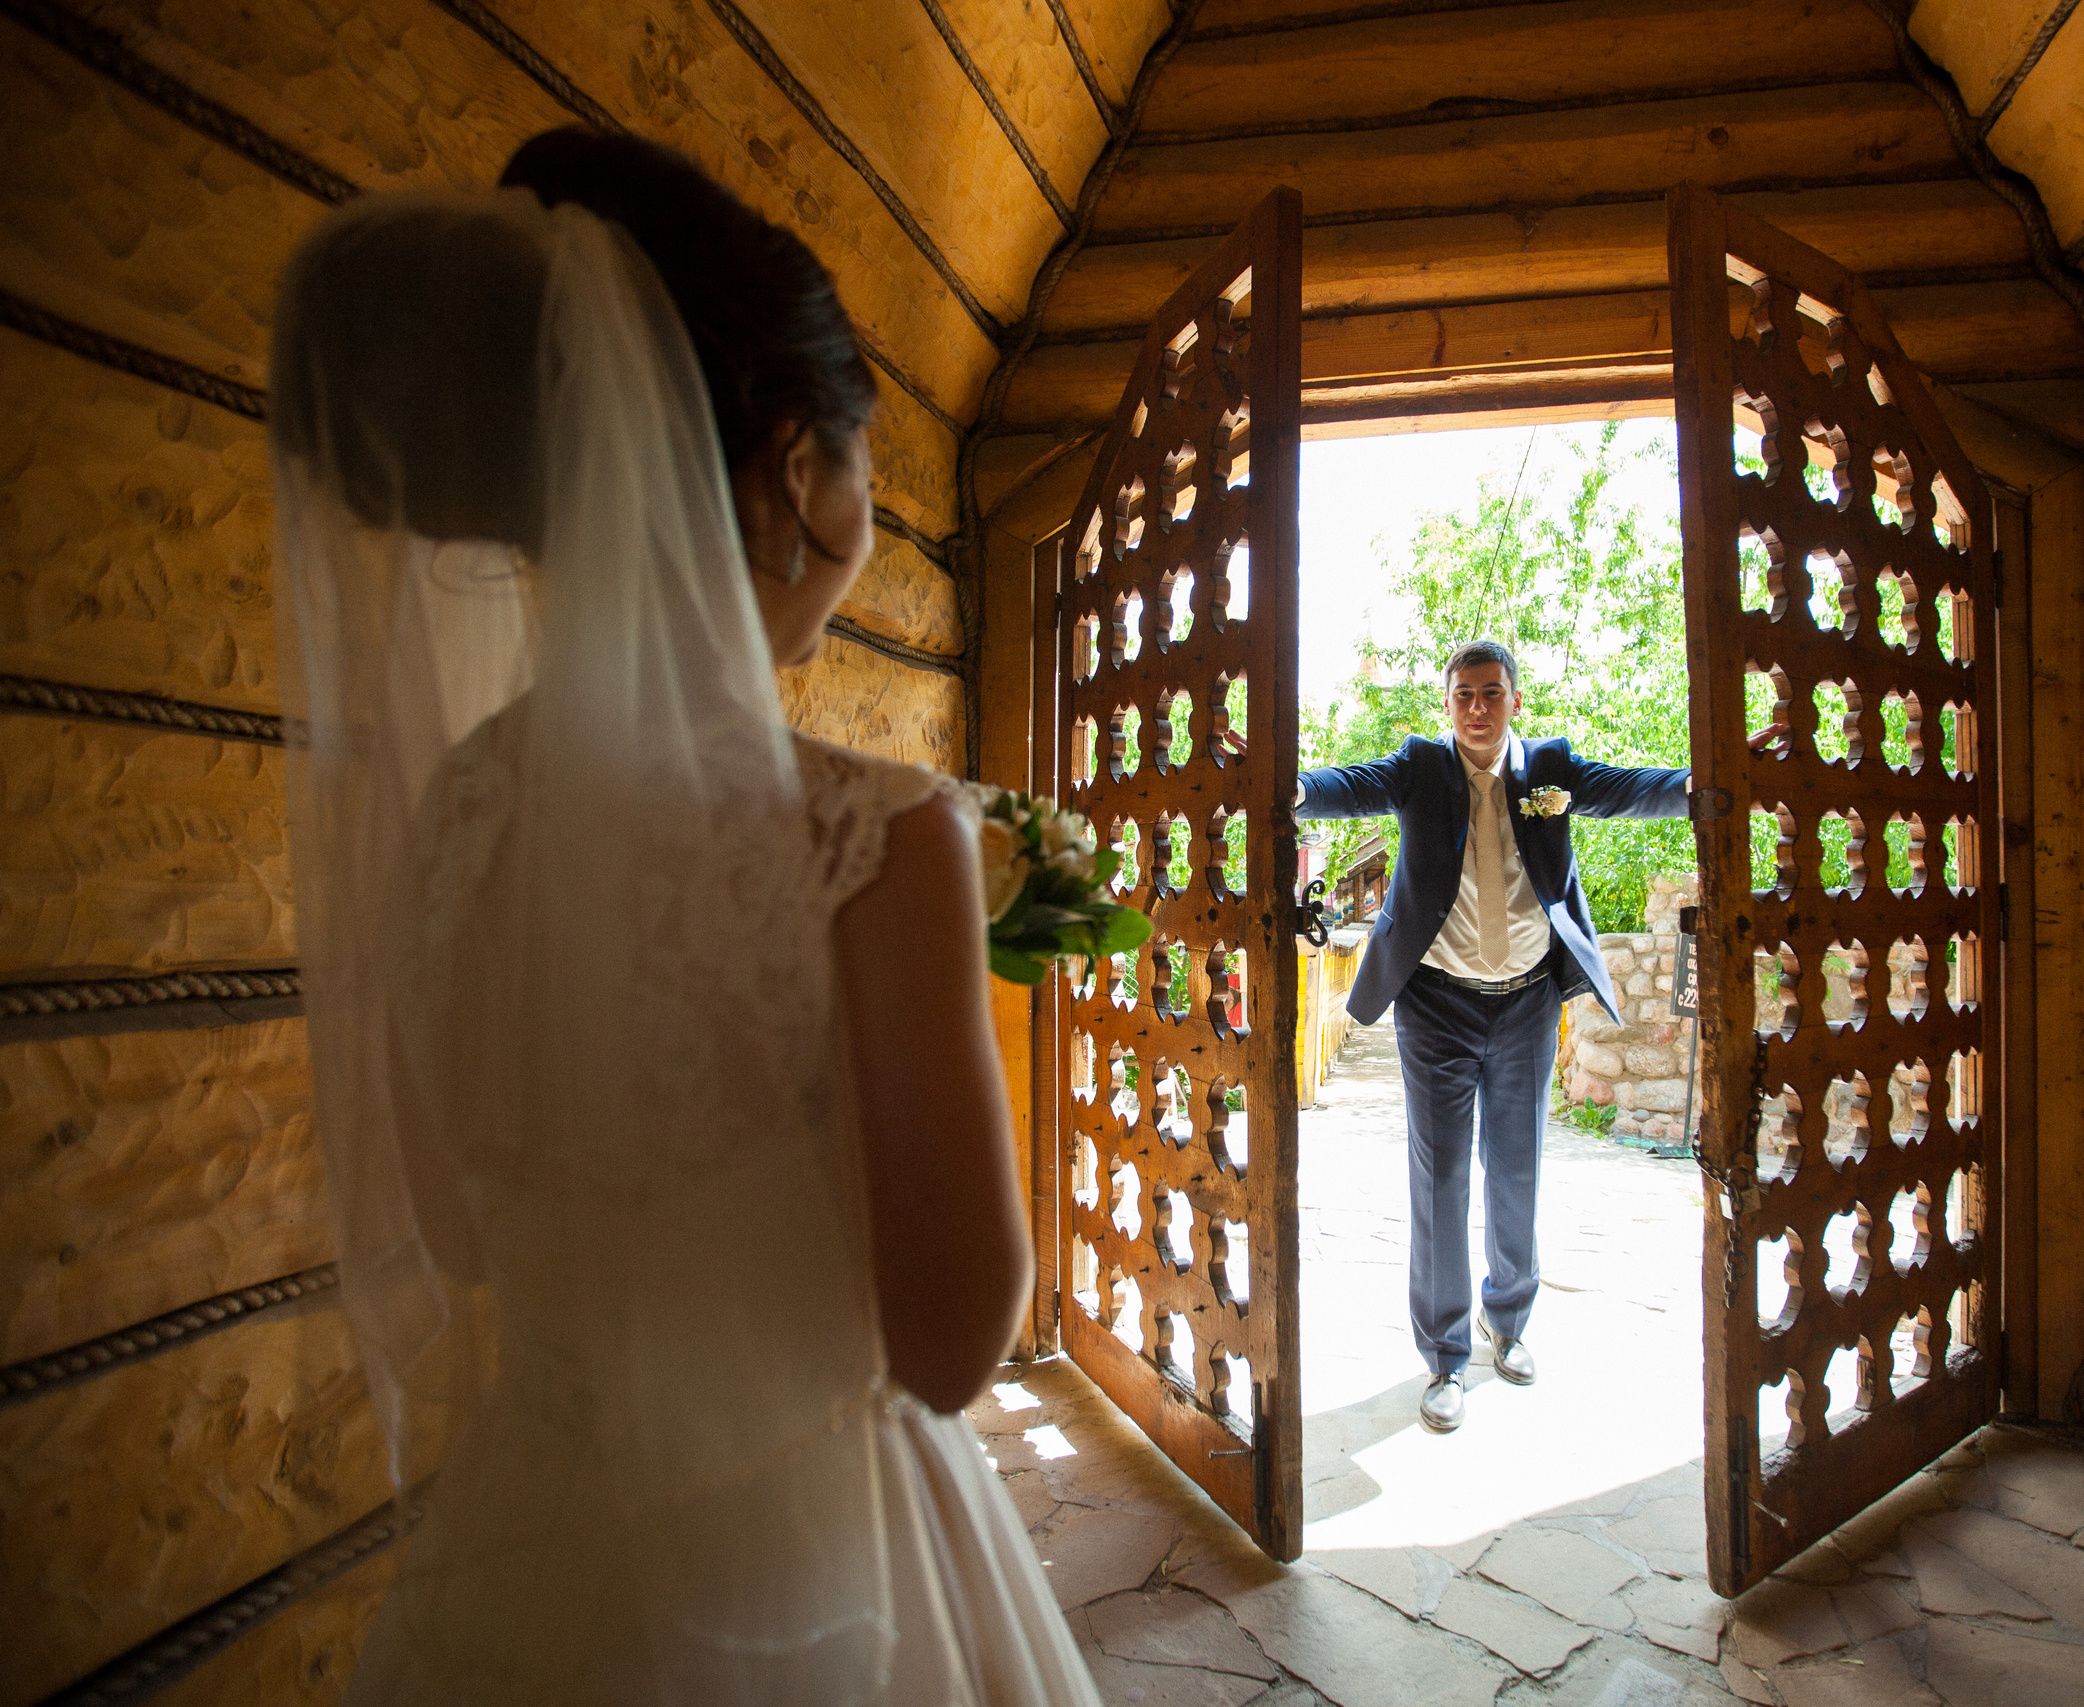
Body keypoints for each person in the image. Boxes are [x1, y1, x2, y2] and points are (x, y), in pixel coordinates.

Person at [267, 129, 1101, 1705]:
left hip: (530, 1553)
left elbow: (455, 1230)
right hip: (812, 1573)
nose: (863, 523)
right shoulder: (883, 834)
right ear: (794, 466)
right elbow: (949, 1339)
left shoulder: (450, 817)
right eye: (862, 464)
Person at [1296, 641, 1690, 1433]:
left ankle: (1506, 1323)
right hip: (1435, 1006)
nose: (1477, 707)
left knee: (1515, 1170)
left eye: (1491, 693)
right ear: (1448, 705)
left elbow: (1633, 789)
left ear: (1514, 699)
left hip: (1526, 1007)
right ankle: (1444, 1358)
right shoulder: (1418, 768)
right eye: (1464, 695)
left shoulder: (1550, 769)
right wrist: (1290, 788)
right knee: (1440, 1180)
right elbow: (1343, 786)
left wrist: (1704, 789)